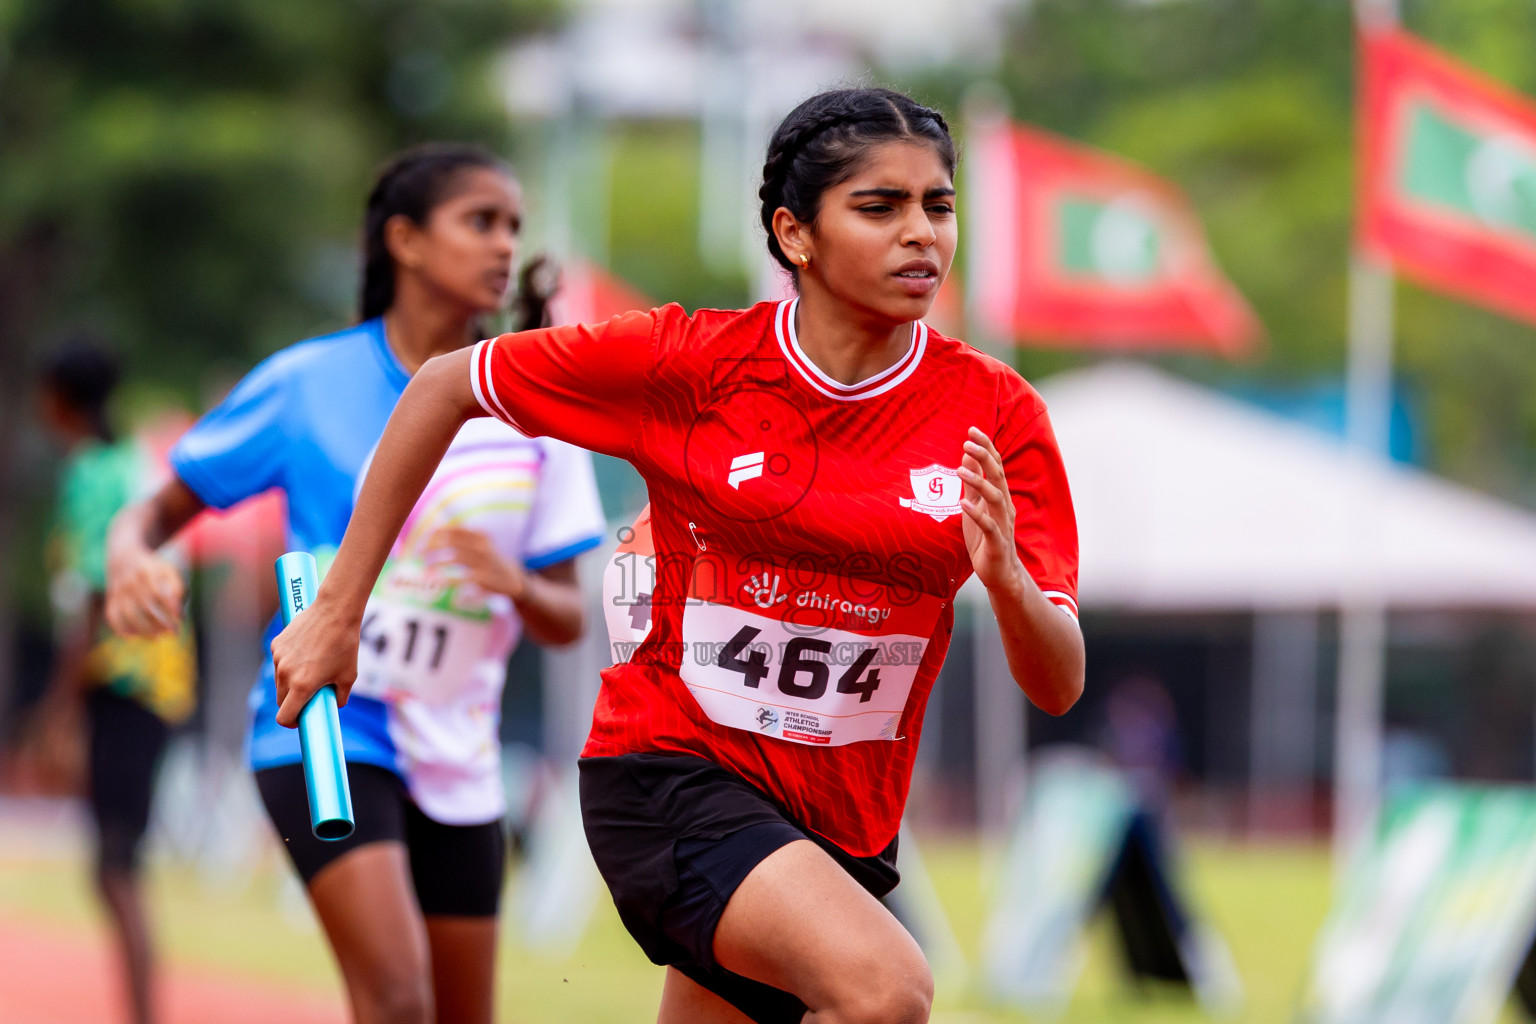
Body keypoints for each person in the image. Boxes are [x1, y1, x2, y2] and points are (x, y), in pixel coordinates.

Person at [279, 87, 1083, 1024]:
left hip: (840, 824)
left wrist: (1009, 583)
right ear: (795, 235)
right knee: (883, 991)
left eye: (938, 206)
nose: (922, 234)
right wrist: (339, 610)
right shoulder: (687, 364)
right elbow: (444, 385)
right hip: (670, 776)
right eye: (880, 207)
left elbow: (1057, 683)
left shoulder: (998, 415)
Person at [104, 145, 606, 1024]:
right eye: (480, 221)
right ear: (406, 241)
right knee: (397, 997)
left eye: (514, 227)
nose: (504, 246)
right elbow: (151, 512)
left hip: (459, 750)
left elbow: (567, 617)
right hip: (328, 729)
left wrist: (514, 588)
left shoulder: (532, 404)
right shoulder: (309, 384)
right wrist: (129, 557)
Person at [36, 338, 197, 1024]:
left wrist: (57, 712)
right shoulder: (131, 461)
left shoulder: (90, 472)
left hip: (126, 680)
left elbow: (92, 602)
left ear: (57, 400)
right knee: (114, 866)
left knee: (117, 867)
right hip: (158, 677)